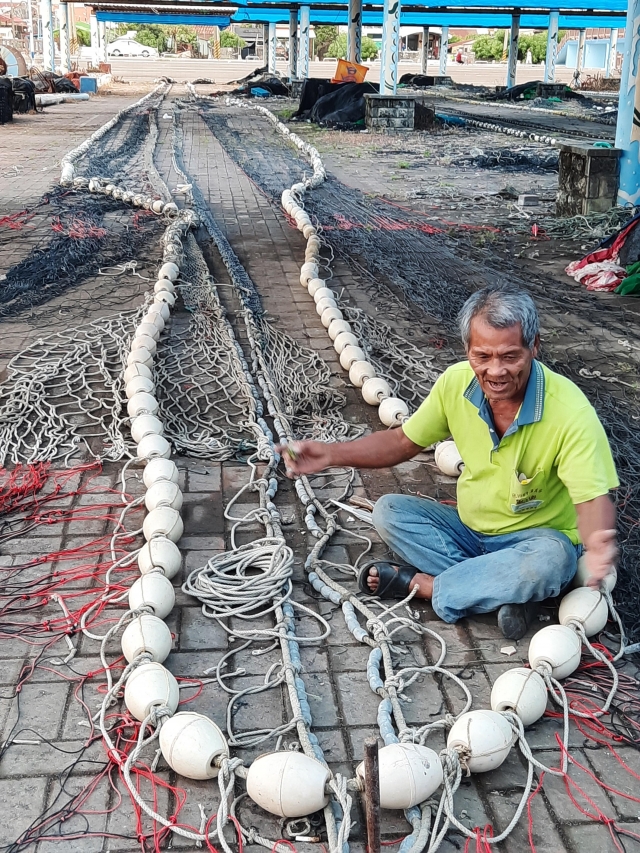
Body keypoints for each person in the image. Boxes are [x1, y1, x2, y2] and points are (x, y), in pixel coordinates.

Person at [279, 286, 619, 640]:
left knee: (551, 562)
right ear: (467, 349)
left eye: (510, 356)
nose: (495, 371)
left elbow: (591, 497)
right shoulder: (456, 383)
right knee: (390, 511)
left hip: (537, 540)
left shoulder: (570, 412)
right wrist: (331, 454)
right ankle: (501, 590)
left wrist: (598, 543)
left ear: (534, 346)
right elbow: (402, 442)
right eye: (482, 356)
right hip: (469, 530)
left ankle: (428, 587)